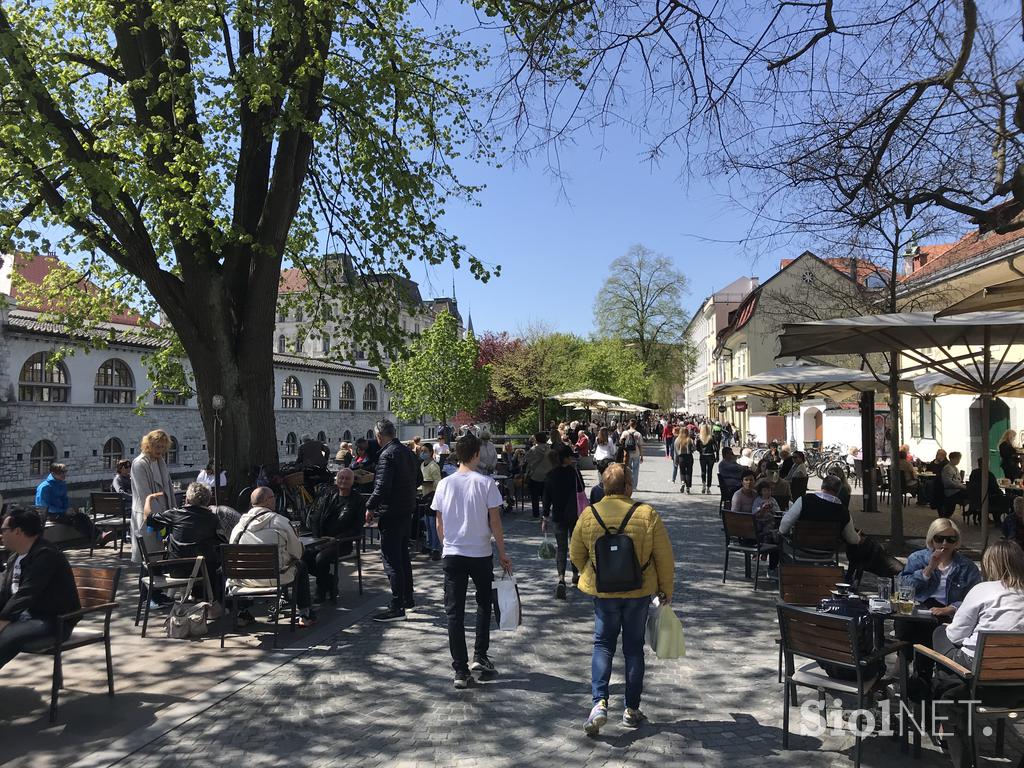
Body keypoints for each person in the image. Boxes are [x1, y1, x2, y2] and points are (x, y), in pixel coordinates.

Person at [570, 463, 675, 735]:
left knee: (603, 644)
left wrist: (590, 573)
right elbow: (664, 557)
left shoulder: (589, 514)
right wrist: (665, 589)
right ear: (629, 486)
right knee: (633, 649)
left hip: (604, 593)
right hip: (638, 592)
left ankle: (599, 703)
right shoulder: (646, 513)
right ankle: (631, 708)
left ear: (604, 486)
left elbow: (575, 553)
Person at [431, 433, 512, 689]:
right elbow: (495, 521)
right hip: (480, 552)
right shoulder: (486, 483)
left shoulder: (445, 484)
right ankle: (480, 654)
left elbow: (438, 521)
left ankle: (460, 669)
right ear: (476, 454)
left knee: (453, 612)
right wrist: (502, 552)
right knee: (483, 604)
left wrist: (445, 545)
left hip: (453, 553)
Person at [899, 518, 982, 678]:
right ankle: (917, 677)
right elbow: (904, 587)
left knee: (937, 633)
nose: (945, 543)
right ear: (931, 539)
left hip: (950, 616)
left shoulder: (966, 566)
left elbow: (974, 596)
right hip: (921, 613)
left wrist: (952, 608)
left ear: (956, 541)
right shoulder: (918, 558)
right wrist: (929, 569)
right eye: (939, 539)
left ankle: (927, 679)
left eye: (950, 539)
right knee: (914, 628)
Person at [0, 508, 81, 669]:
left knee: (7, 636)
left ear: (18, 531)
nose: (1, 535)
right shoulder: (14, 557)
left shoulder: (46, 555)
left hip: (54, 620)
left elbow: (26, 593)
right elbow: (4, 593)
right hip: (24, 616)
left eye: (3, 530)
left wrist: (3, 620)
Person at [230, 487, 316, 627]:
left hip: (244, 580)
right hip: (274, 578)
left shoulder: (239, 526)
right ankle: (305, 614)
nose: (275, 499)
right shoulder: (280, 522)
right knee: (301, 566)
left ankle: (242, 613)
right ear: (267, 501)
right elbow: (297, 553)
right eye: (273, 497)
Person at [934, 539, 1024, 668]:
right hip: (1018, 666)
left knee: (941, 632)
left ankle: (946, 684)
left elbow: (956, 636)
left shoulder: (983, 589)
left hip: (979, 664)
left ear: (990, 565)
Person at [365, 420, 418, 621]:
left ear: (379, 437)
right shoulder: (407, 452)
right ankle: (407, 599)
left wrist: (370, 506)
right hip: (406, 510)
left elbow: (381, 486)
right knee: (403, 558)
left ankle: (397, 606)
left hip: (392, 513)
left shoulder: (387, 455)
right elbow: (418, 479)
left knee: (392, 561)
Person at [145, 482, 224, 602]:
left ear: (187, 498)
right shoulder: (213, 518)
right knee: (215, 566)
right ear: (207, 500)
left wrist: (148, 498)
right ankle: (206, 600)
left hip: (177, 569)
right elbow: (221, 541)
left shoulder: (175, 514)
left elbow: (149, 519)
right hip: (203, 571)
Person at [303, 468, 365, 602]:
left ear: (353, 481)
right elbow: (316, 517)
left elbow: (357, 528)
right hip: (322, 539)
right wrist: (317, 537)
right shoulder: (328, 495)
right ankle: (330, 581)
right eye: (341, 478)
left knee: (321, 558)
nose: (343, 481)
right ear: (336, 480)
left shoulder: (358, 500)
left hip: (342, 542)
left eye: (347, 478)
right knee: (303, 556)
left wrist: (336, 539)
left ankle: (321, 590)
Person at [543, 444, 584, 599]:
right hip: (574, 514)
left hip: (558, 516)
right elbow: (581, 488)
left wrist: (545, 516)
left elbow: (546, 498)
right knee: (574, 545)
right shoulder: (574, 473)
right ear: (565, 458)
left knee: (561, 548)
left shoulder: (551, 475)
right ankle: (575, 574)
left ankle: (561, 579)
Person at [35, 463, 108, 546]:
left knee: (82, 516)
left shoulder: (62, 484)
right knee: (75, 520)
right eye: (61, 472)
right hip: (49, 514)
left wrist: (68, 509)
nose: (63, 474)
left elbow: (64, 499)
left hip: (61, 512)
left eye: (64, 472)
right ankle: (97, 537)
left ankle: (99, 535)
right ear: (53, 473)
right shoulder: (45, 487)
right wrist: (63, 511)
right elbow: (44, 507)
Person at [779, 474, 861, 548]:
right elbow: (852, 539)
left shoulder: (804, 500)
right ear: (838, 491)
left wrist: (782, 532)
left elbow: (785, 525)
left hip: (801, 549)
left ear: (822, 486)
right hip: (827, 552)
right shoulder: (843, 511)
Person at [130, 429, 175, 563]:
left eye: (162, 446)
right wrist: (159, 518)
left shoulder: (161, 462)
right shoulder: (139, 464)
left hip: (163, 515)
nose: (159, 449)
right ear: (148, 445)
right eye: (156, 446)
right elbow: (145, 494)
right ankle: (144, 584)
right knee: (148, 560)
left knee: (159, 559)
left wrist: (172, 513)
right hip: (148, 517)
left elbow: (168, 488)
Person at [418, 446, 443, 560]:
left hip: (433, 496)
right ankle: (429, 543)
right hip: (424, 495)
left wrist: (430, 484)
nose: (423, 453)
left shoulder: (434, 466)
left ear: (431, 452)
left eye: (425, 451)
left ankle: (436, 548)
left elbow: (438, 483)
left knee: (433, 524)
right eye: (421, 451)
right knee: (427, 523)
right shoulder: (422, 465)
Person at [968, 459, 1009, 525]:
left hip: (976, 499)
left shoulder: (973, 473)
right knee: (1005, 499)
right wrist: (1001, 493)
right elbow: (995, 488)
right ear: (987, 464)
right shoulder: (988, 474)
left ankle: (982, 517)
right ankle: (998, 520)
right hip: (987, 499)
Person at [525, 432, 552, 519]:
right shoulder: (549, 449)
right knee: (546, 495)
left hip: (536, 475)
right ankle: (545, 512)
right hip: (547, 474)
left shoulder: (534, 449)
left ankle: (535, 513)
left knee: (535, 496)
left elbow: (527, 459)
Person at [939, 451, 969, 518]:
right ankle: (973, 510)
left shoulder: (955, 468)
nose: (958, 461)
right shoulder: (947, 468)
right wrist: (962, 486)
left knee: (972, 493)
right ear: (952, 459)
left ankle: (972, 509)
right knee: (972, 494)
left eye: (959, 459)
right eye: (957, 459)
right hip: (952, 491)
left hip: (956, 490)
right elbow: (948, 482)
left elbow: (958, 481)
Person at [620, 420, 644, 489]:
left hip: (627, 453)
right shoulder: (638, 434)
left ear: (629, 424)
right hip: (636, 453)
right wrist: (642, 456)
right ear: (635, 425)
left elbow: (620, 441)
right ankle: (634, 486)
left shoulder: (625, 433)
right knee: (635, 470)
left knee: (627, 469)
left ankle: (627, 485)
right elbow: (640, 446)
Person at [696, 424, 718, 494]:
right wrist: (717, 456)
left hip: (703, 456)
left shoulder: (699, 438)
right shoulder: (711, 437)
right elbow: (716, 448)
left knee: (703, 471)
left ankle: (703, 485)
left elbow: (697, 448)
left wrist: (701, 451)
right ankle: (708, 488)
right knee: (710, 472)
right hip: (711, 456)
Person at [674, 429, 694, 494]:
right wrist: (691, 450)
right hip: (689, 457)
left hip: (681, 457)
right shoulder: (690, 439)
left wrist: (676, 460)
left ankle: (683, 482)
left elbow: (675, 451)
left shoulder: (677, 440)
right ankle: (688, 487)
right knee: (689, 471)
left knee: (682, 471)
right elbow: (694, 448)